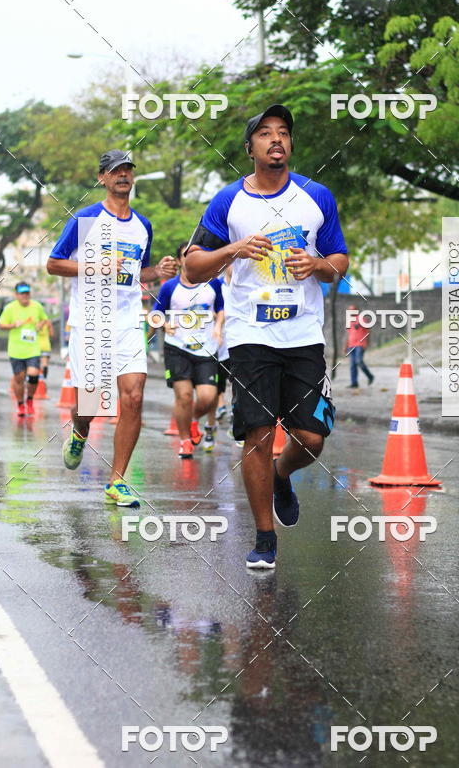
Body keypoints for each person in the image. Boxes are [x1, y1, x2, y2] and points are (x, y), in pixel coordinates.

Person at [185, 104, 349, 568]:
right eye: (264, 133)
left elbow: (339, 260)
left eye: (283, 133)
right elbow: (192, 268)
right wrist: (235, 248)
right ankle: (264, 538)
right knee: (256, 433)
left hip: (303, 336)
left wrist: (317, 265)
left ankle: (282, 474)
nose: (275, 139)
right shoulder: (227, 202)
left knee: (313, 438)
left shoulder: (318, 197)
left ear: (291, 145)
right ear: (250, 147)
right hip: (249, 335)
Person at [46, 149, 176, 507]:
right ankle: (79, 430)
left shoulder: (143, 226)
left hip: (127, 322)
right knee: (91, 404)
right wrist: (97, 264)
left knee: (133, 396)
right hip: (90, 322)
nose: (122, 175)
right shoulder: (84, 219)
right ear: (101, 178)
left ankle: (117, 481)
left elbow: (138, 273)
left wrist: (158, 273)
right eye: (115, 170)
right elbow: (54, 265)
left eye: (127, 170)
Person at [154, 242, 224, 458]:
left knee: (207, 397)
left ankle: (193, 419)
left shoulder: (212, 284)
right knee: (183, 396)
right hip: (177, 347)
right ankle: (185, 440)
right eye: (188, 256)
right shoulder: (169, 287)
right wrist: (165, 325)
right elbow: (156, 313)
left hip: (207, 349)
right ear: (180, 261)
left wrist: (219, 328)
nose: (193, 260)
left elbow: (221, 308)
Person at [0, 282, 48, 416]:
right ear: (16, 295)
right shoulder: (9, 308)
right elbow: (1, 325)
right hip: (16, 350)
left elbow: (45, 319)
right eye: (22, 293)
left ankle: (30, 400)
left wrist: (40, 324)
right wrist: (13, 325)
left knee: (33, 375)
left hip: (33, 349)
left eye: (27, 293)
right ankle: (20, 404)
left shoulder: (37, 306)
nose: (25, 296)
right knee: (19, 379)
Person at [344, 309, 374, 388]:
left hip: (359, 344)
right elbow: (349, 335)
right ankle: (354, 383)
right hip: (351, 346)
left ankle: (370, 376)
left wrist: (367, 343)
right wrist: (345, 346)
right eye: (349, 310)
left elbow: (368, 331)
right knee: (352, 365)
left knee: (359, 361)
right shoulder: (349, 321)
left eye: (352, 309)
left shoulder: (362, 318)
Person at [37, 308, 55, 386]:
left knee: (36, 364)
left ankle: (39, 379)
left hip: (36, 346)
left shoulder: (36, 322)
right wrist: (49, 325)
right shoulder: (48, 323)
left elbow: (35, 330)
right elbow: (52, 334)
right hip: (46, 346)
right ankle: (43, 378)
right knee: (45, 364)